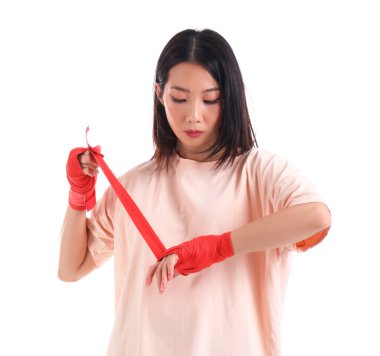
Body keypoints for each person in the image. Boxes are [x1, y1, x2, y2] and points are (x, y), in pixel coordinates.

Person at [58, 28, 332, 356]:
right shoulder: (133, 186)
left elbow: (316, 217)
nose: (194, 115)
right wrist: (79, 193)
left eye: (210, 99)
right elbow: (70, 268)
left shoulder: (259, 174)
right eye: (180, 98)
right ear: (159, 94)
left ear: (229, 96)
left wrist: (216, 247)